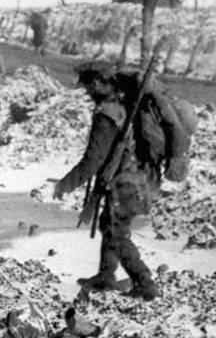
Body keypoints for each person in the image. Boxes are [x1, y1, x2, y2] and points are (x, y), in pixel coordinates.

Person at [53, 61, 161, 301]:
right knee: (108, 223)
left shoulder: (107, 115)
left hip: (125, 183)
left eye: (88, 87)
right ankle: (106, 275)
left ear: (97, 83)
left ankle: (144, 282)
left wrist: (66, 184)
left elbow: (92, 160)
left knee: (117, 232)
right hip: (138, 179)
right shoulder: (123, 104)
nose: (88, 92)